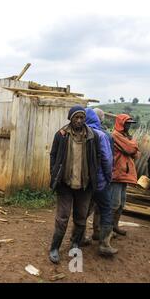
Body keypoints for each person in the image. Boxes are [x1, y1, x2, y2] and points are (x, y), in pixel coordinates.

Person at [48, 106, 100, 264]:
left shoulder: (92, 136)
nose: (79, 120)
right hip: (65, 184)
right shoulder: (61, 134)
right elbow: (53, 155)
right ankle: (54, 248)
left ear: (85, 119)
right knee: (62, 217)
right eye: (76, 118)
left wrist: (93, 175)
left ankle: (75, 244)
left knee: (81, 218)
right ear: (70, 118)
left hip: (84, 185)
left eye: (81, 118)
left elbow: (96, 156)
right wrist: (54, 173)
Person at [82, 108, 117, 256]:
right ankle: (104, 244)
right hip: (100, 182)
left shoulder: (79, 134)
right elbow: (107, 160)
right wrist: (108, 177)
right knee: (106, 209)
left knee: (83, 209)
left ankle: (79, 238)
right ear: (98, 119)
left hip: (83, 181)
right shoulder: (103, 135)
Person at [111, 114, 140, 236]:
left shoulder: (125, 136)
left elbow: (136, 154)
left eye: (130, 124)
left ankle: (115, 226)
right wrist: (133, 144)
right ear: (120, 123)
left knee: (121, 203)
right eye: (126, 123)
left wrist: (133, 146)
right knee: (114, 204)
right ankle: (107, 230)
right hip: (117, 174)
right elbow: (130, 149)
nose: (128, 125)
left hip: (124, 174)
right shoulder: (115, 135)